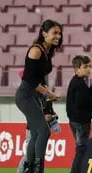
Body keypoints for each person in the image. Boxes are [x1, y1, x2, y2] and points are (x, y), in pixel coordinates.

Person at [15, 19, 62, 173]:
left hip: (35, 97)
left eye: (59, 33)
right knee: (44, 131)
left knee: (36, 132)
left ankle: (29, 168)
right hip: (25, 96)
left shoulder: (48, 51)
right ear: (44, 33)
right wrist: (48, 93)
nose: (58, 36)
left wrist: (45, 95)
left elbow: (39, 77)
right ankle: (37, 168)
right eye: (55, 33)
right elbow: (29, 78)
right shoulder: (36, 50)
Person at [66, 55, 92, 173]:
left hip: (75, 120)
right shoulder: (79, 83)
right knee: (81, 148)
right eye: (85, 66)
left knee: (80, 148)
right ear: (77, 69)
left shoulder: (77, 81)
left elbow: (81, 98)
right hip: (81, 121)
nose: (89, 69)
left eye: (90, 66)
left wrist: (90, 89)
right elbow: (82, 102)